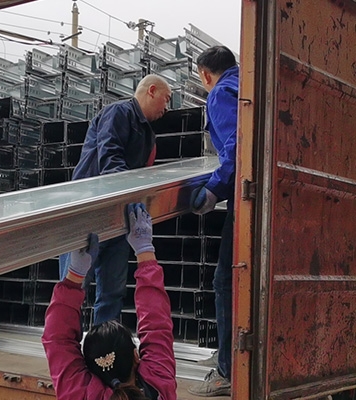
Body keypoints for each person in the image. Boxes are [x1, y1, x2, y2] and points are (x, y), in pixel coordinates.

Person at [59, 74, 172, 325]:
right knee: (73, 287)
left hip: (118, 217)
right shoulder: (119, 113)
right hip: (90, 211)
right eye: (166, 99)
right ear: (151, 91)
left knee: (112, 292)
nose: (167, 108)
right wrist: (136, 195)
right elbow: (110, 159)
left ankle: (105, 351)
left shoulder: (146, 133)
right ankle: (64, 350)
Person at [43, 203, 177, 400]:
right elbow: (157, 326)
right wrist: (144, 249)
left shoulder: (159, 386)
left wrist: (75, 274)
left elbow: (158, 328)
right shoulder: (78, 393)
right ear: (136, 357)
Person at [186, 46, 239, 397]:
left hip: (246, 196)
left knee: (224, 281)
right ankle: (233, 358)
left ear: (205, 75)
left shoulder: (220, 93)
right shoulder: (247, 86)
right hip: (263, 194)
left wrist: (212, 191)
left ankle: (227, 370)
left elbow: (236, 149)